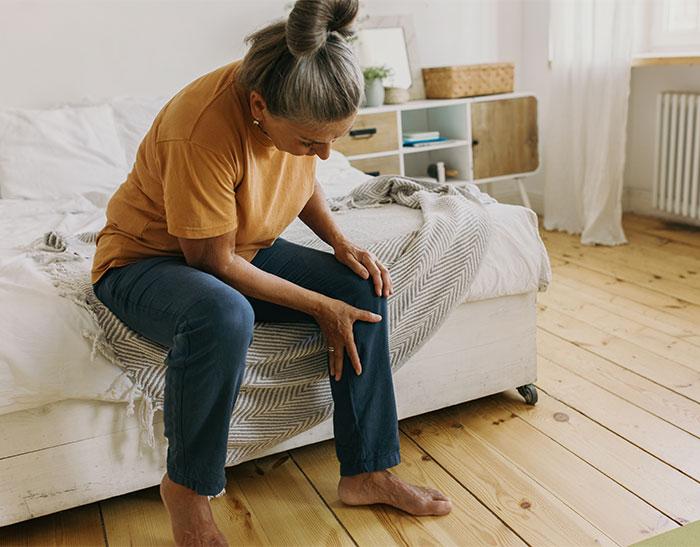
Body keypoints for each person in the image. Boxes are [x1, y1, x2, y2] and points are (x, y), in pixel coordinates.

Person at [91, 0, 452, 544]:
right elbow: (211, 264)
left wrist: (340, 242)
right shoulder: (200, 128)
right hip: (146, 261)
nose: (325, 155)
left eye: (336, 139)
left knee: (360, 288)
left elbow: (302, 175)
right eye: (313, 141)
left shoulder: (298, 94)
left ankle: (367, 470)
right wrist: (316, 306)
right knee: (223, 313)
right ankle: (186, 490)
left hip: (243, 247)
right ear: (259, 106)